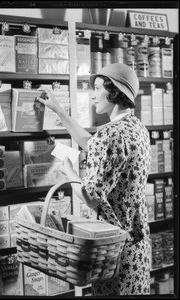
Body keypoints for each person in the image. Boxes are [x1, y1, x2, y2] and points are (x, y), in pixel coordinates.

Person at [37, 63, 151, 296]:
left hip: (112, 248)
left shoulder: (109, 135)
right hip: (137, 245)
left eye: (98, 88)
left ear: (115, 91)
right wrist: (59, 110)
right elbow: (93, 145)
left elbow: (90, 198)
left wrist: (69, 171)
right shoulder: (137, 127)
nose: (92, 95)